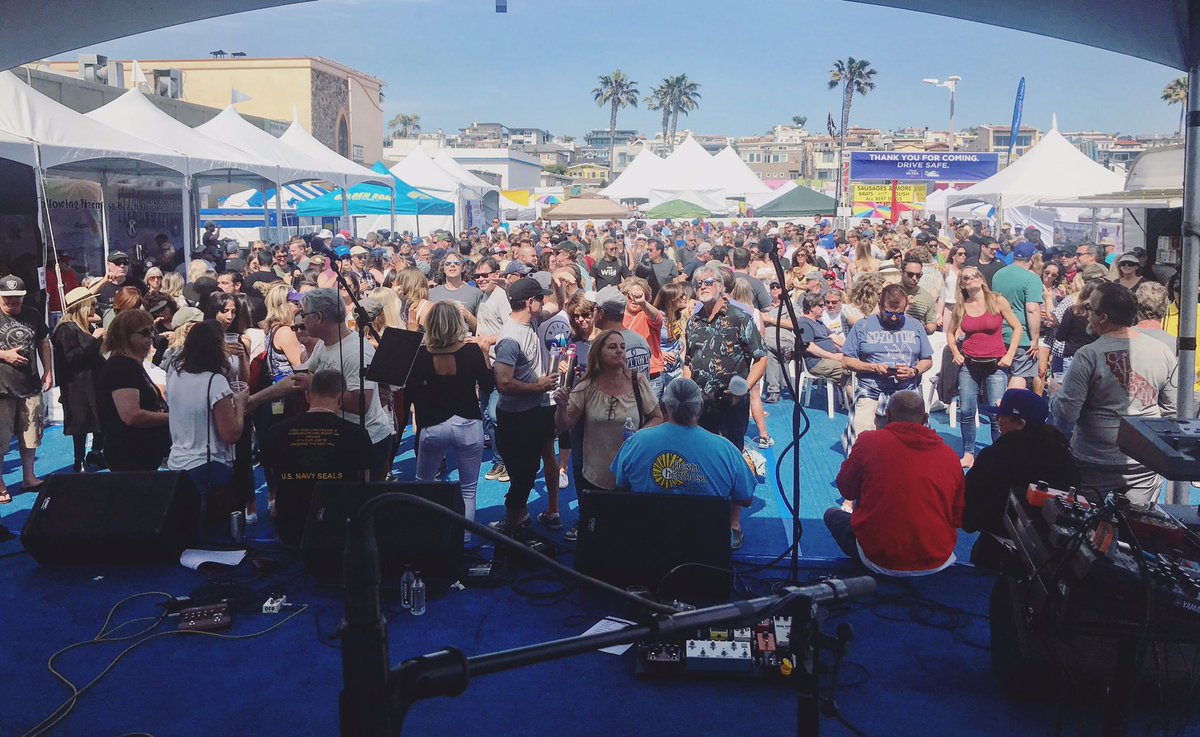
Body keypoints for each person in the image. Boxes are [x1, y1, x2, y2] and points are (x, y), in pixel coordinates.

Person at [1050, 282, 1178, 505]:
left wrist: (1054, 393)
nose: (1087, 314)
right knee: (1137, 528)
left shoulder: (1089, 355)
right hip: (1144, 459)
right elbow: (1171, 409)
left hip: (1095, 460)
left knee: (1084, 529)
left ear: (1103, 317)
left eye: (1091, 309)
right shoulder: (1162, 350)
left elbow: (1067, 412)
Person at [824, 390, 964, 576]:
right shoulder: (950, 457)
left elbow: (846, 489)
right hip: (937, 559)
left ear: (887, 415)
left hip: (877, 557)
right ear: (925, 418)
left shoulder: (868, 442)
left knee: (832, 515)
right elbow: (958, 517)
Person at [611, 377, 754, 549]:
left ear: (664, 407)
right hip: (705, 551)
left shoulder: (636, 443)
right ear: (700, 409)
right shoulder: (726, 450)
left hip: (647, 547)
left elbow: (620, 484)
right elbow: (745, 498)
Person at [962, 389, 1079, 568]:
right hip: (1048, 558)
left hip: (995, 552)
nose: (997, 420)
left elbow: (967, 515)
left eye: (1002, 416)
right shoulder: (1066, 459)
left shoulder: (994, 456)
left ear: (1020, 424)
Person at [408, 302, 494, 538]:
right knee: (468, 489)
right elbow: (488, 385)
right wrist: (485, 354)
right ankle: (465, 539)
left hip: (433, 425)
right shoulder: (472, 351)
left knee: (423, 483)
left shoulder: (420, 355)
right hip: (468, 424)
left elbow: (411, 393)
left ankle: (421, 534)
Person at [300, 288, 396, 482]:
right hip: (341, 437)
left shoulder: (355, 351)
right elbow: (304, 377)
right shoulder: (323, 344)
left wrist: (317, 387)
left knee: (363, 502)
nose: (302, 321)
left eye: (304, 315)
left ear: (318, 317)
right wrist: (256, 399)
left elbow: (361, 404)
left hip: (368, 440)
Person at [554, 328, 663, 492]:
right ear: (598, 353)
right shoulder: (587, 386)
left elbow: (657, 417)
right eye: (612, 347)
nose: (619, 350)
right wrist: (561, 408)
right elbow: (564, 426)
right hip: (595, 477)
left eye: (622, 347)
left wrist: (638, 437)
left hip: (632, 473)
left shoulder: (637, 381)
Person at [491, 277, 560, 535]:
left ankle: (519, 519)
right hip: (517, 418)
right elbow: (504, 383)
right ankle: (510, 526)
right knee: (523, 476)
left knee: (530, 470)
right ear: (530, 303)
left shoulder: (532, 320)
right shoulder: (510, 339)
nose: (544, 302)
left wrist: (558, 283)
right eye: (540, 298)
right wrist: (538, 387)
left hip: (535, 412)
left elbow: (558, 304)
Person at [945, 266, 1024, 468]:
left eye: (974, 276)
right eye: (965, 278)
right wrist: (955, 352)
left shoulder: (996, 301)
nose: (970, 280)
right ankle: (969, 453)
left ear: (981, 279)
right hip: (969, 364)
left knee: (998, 413)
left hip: (996, 364)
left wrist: (1010, 354)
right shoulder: (961, 306)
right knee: (968, 411)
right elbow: (950, 332)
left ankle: (1000, 453)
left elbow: (1017, 327)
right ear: (961, 284)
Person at [684, 263, 768, 450]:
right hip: (700, 406)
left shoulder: (739, 318)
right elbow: (688, 362)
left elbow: (761, 358)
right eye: (698, 284)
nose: (702, 286)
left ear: (721, 287)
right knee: (700, 457)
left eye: (708, 282)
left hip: (731, 405)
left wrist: (744, 389)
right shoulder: (693, 322)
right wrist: (687, 395)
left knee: (729, 459)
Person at [840, 284, 933, 445]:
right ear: (880, 305)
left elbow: (927, 360)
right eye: (889, 312)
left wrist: (914, 371)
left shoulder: (916, 326)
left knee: (916, 443)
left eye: (899, 313)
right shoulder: (863, 326)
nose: (894, 318)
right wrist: (872, 367)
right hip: (871, 390)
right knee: (861, 442)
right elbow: (846, 360)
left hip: (906, 392)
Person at [97, 309, 170, 472]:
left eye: (152, 331)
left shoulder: (131, 365)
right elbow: (131, 415)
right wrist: (172, 418)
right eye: (145, 332)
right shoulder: (121, 367)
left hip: (142, 453)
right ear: (125, 337)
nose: (151, 336)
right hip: (130, 454)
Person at [0, 275, 51, 502]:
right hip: (1, 388)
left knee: (31, 436)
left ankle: (29, 477)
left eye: (17, 300)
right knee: (1, 440)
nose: (13, 304)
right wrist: (4, 355)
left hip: (29, 384)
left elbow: (43, 341)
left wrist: (48, 370)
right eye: (8, 300)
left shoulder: (32, 314)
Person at [52, 287, 106, 473]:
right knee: (81, 422)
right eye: (91, 304)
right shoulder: (65, 329)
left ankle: (96, 452)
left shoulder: (86, 326)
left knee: (100, 417)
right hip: (77, 383)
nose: (94, 308)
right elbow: (71, 358)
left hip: (94, 379)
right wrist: (93, 339)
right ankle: (79, 458)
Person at [990, 242, 1044, 390]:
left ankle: (997, 407)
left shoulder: (998, 274)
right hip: (1022, 336)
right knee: (1020, 373)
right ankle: (1011, 410)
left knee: (999, 373)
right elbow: (1032, 309)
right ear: (1032, 259)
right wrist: (1035, 339)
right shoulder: (1032, 279)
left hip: (999, 332)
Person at [429, 251, 483, 331]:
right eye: (448, 263)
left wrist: (467, 314)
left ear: (463, 268)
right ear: (443, 268)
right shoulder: (432, 293)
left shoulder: (476, 293)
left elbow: (482, 328)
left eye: (457, 263)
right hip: (440, 341)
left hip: (466, 341)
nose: (452, 265)